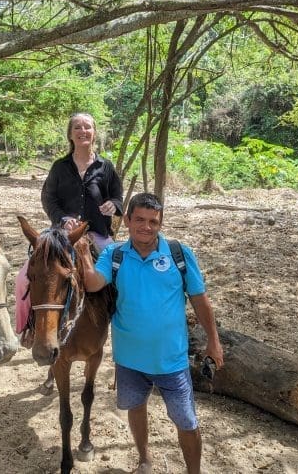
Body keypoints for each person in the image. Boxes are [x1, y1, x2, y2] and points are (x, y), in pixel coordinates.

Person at [79, 192, 224, 474]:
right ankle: (144, 459)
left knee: (186, 421)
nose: (146, 227)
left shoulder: (179, 253)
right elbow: (94, 284)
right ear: (128, 219)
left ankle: (194, 471)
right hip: (130, 358)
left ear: (160, 223)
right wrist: (85, 255)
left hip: (172, 360)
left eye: (153, 221)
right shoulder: (115, 254)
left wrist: (214, 342)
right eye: (140, 220)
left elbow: (200, 300)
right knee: (136, 408)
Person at [15, 112, 123, 341]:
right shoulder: (59, 167)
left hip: (98, 234)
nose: (83, 131)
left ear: (94, 133)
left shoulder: (106, 167)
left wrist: (112, 206)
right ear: (70, 135)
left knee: (122, 275)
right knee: (23, 277)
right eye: (77, 127)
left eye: (87, 127)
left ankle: (121, 328)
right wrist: (63, 218)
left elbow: (117, 197)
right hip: (62, 236)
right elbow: (49, 199)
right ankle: (28, 328)